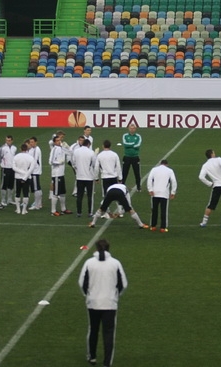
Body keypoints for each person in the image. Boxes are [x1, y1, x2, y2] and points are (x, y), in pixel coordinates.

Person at [78, 239, 128, 367]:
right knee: (109, 333)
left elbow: (82, 282)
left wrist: (88, 295)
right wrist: (115, 295)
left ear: (96, 248)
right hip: (110, 303)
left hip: (93, 303)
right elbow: (123, 284)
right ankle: (107, 362)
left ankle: (92, 357)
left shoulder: (89, 263)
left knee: (93, 330)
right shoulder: (115, 263)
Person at [198, 149, 221, 228]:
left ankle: (204, 222)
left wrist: (210, 184)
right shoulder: (219, 159)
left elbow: (201, 177)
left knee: (211, 205)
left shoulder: (205, 165)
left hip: (216, 186)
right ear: (212, 154)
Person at [94, 140, 123, 217]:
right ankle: (120, 211)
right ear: (110, 146)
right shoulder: (114, 154)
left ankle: (107, 212)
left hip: (105, 178)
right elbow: (118, 166)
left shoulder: (100, 155)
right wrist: (120, 178)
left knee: (106, 196)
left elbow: (96, 167)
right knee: (116, 194)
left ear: (103, 146)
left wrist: (96, 178)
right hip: (114, 177)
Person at [147, 159, 177, 233]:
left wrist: (150, 189)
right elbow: (173, 181)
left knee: (154, 210)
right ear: (167, 164)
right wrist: (173, 192)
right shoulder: (170, 170)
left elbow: (149, 179)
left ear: (160, 164)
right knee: (164, 211)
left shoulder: (154, 169)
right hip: (164, 193)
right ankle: (163, 228)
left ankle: (153, 226)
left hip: (155, 192)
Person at [49, 135, 73, 216]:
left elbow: (70, 153)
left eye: (60, 140)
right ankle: (53, 211)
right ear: (55, 142)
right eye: (58, 140)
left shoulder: (62, 147)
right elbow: (51, 161)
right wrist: (59, 162)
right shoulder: (54, 149)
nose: (60, 141)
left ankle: (63, 209)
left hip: (61, 174)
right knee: (56, 193)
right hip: (56, 174)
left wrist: (67, 147)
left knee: (62, 192)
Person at [73, 139, 97, 217]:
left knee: (79, 196)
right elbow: (94, 164)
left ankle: (79, 212)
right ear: (88, 144)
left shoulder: (76, 151)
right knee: (90, 196)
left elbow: (74, 163)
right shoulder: (91, 152)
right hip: (89, 177)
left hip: (79, 177)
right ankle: (90, 212)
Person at [12, 143, 36, 215]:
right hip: (27, 178)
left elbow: (14, 167)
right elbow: (31, 169)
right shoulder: (30, 157)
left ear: (20, 149)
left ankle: (18, 209)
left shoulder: (16, 157)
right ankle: (24, 210)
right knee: (26, 193)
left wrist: (21, 172)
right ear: (27, 149)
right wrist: (25, 175)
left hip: (18, 177)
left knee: (17, 193)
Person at [121, 123, 142, 192]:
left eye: (133, 128)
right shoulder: (125, 135)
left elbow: (138, 145)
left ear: (135, 129)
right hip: (127, 157)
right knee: (124, 172)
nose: (132, 129)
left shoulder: (138, 136)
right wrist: (133, 143)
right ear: (128, 128)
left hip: (135, 157)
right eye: (131, 128)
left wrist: (129, 144)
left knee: (137, 173)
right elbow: (125, 144)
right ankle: (122, 186)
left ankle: (138, 187)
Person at [0, 135, 17, 206]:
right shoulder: (2, 148)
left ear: (12, 140)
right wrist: (2, 165)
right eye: (6, 140)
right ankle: (3, 200)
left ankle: (9, 199)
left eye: (9, 140)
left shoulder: (14, 148)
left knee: (11, 184)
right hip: (5, 168)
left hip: (12, 169)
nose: (8, 142)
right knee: (4, 184)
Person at [27, 136, 43, 210]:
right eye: (30, 142)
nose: (31, 143)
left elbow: (33, 161)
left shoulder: (36, 150)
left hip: (34, 172)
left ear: (36, 142)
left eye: (32, 142)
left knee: (36, 188)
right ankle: (39, 203)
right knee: (37, 188)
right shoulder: (31, 149)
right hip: (33, 172)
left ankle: (36, 205)